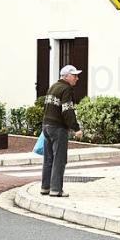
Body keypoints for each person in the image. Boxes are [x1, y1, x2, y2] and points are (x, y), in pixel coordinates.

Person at [41, 65, 83, 197]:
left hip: (46, 126)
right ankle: (56, 189)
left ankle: (45, 187)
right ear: (66, 76)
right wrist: (76, 128)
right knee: (59, 159)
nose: (77, 78)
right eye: (74, 75)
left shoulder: (53, 86)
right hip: (58, 128)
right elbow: (67, 110)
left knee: (48, 159)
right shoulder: (66, 89)